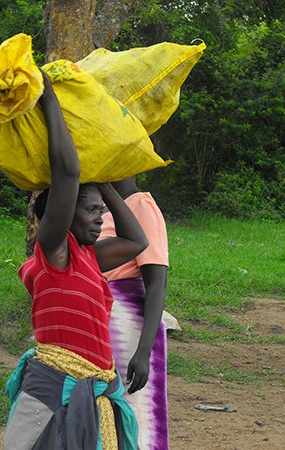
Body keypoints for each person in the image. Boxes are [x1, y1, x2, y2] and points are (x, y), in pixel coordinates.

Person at [3, 71, 148, 450]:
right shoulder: (55, 251)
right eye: (91, 211)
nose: (100, 219)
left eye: (102, 211)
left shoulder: (88, 257)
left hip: (98, 385)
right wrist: (50, 101)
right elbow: (67, 174)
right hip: (53, 385)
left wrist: (104, 183)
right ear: (63, 215)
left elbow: (136, 240)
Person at [99, 176, 169, 450]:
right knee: (110, 413)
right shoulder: (103, 207)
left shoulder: (140, 206)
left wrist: (143, 352)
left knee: (136, 414)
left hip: (130, 324)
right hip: (106, 319)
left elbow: (156, 284)